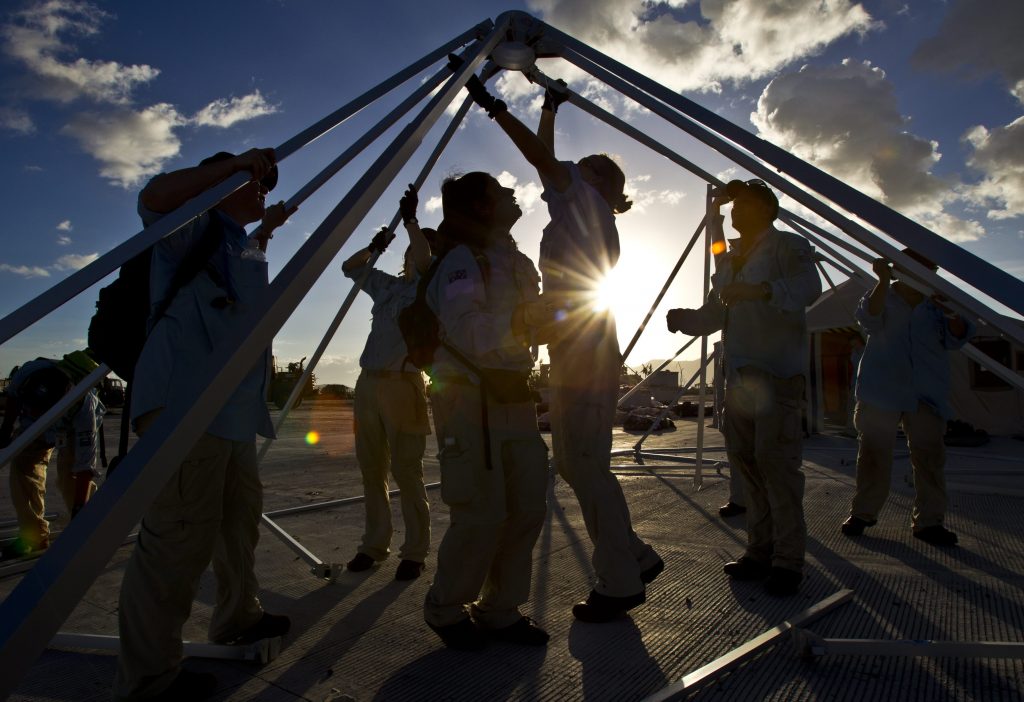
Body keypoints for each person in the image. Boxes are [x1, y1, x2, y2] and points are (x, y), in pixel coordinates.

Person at [454, 68, 664, 622]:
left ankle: (621, 580)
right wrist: (549, 107)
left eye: (584, 168)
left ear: (601, 187)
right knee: (579, 459)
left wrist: (494, 107)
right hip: (581, 343)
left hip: (584, 347)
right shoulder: (580, 208)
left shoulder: (586, 204)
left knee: (585, 461)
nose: (569, 171)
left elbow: (541, 162)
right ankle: (634, 556)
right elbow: (546, 163)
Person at [114, 148, 296, 701]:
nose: (262, 187)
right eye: (256, 181)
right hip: (186, 405)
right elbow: (152, 197)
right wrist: (231, 167)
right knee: (177, 542)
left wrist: (266, 229)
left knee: (238, 522)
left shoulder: (238, 242)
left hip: (233, 413)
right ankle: (148, 679)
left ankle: (237, 614)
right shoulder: (188, 226)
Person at [667, 178, 821, 596]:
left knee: (777, 467)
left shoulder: (790, 247)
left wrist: (761, 289)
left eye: (746, 205)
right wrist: (689, 319)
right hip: (740, 380)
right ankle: (760, 550)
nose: (737, 213)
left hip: (776, 374)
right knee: (748, 467)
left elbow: (809, 289)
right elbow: (721, 309)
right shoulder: (731, 257)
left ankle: (788, 560)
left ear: (768, 210)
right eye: (735, 208)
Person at [422, 171, 550, 650]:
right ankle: (446, 608)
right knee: (480, 511)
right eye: (500, 193)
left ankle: (500, 610)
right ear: (480, 206)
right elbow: (466, 328)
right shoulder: (460, 261)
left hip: (514, 392)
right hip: (469, 399)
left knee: (526, 509)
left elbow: (528, 329)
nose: (512, 195)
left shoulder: (514, 261)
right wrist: (523, 320)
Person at [841, 251, 974, 546]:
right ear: (898, 270)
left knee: (929, 458)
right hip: (881, 388)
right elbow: (869, 320)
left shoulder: (940, 304)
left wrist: (950, 312)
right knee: (874, 455)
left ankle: (929, 521)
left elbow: (958, 337)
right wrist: (882, 282)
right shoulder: (881, 296)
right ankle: (863, 513)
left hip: (925, 392)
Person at [341, 185, 434, 581]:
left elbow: (430, 263)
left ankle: (414, 551)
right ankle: (374, 544)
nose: (415, 253)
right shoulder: (389, 287)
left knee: (407, 470)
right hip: (368, 384)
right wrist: (375, 244)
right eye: (411, 248)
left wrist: (412, 222)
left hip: (404, 384)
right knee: (371, 467)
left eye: (422, 248)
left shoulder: (430, 288)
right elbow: (351, 268)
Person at [0, 350, 104, 559]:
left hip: (71, 430)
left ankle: (88, 530)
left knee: (69, 477)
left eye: (41, 412)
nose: (36, 413)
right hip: (36, 428)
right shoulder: (27, 373)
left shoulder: (84, 409)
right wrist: (6, 430)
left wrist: (78, 511)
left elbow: (85, 467)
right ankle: (34, 536)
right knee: (22, 467)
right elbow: (12, 397)